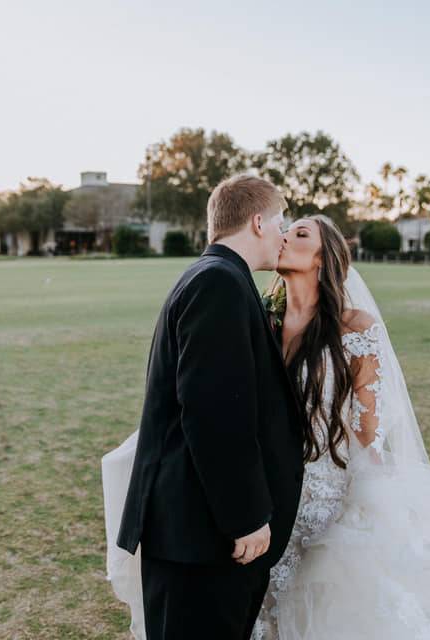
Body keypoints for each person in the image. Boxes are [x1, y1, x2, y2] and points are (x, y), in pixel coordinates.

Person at [251, 215, 430, 639]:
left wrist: (370, 499)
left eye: (300, 234)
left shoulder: (355, 329)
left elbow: (368, 427)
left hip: (325, 496)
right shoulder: (261, 321)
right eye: (285, 230)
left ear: (324, 259)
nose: (285, 237)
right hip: (266, 491)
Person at [103, 175, 306, 639]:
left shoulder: (218, 276)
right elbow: (214, 414)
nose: (282, 235)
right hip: (202, 537)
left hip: (198, 533)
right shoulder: (218, 282)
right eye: (280, 224)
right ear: (258, 222)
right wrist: (247, 517)